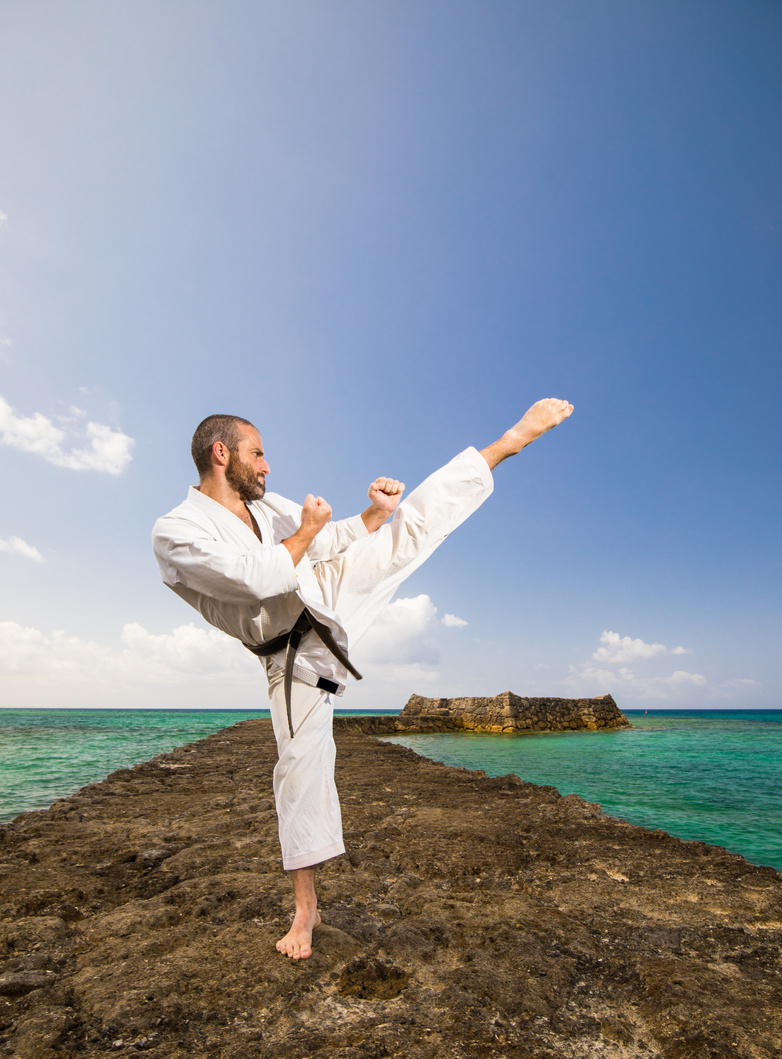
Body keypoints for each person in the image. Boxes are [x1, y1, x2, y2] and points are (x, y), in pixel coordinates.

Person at [152, 398, 573, 959]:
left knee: (408, 534)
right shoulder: (175, 531)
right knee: (301, 768)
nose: (268, 466)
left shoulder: (267, 506)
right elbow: (254, 578)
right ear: (221, 453)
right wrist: (306, 531)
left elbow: (326, 543)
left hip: (325, 591)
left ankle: (508, 442)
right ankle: (307, 912)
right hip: (289, 655)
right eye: (258, 453)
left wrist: (374, 513)